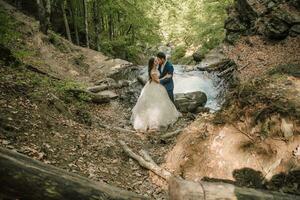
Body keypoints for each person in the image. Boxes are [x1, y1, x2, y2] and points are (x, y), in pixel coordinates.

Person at [131, 57, 180, 132]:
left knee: (159, 102)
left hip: (156, 86)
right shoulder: (153, 71)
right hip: (154, 86)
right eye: (155, 61)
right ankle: (152, 123)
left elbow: (158, 77)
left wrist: (164, 76)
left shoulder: (156, 69)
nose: (157, 62)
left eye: (157, 61)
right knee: (153, 103)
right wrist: (166, 77)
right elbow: (157, 81)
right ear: (152, 63)